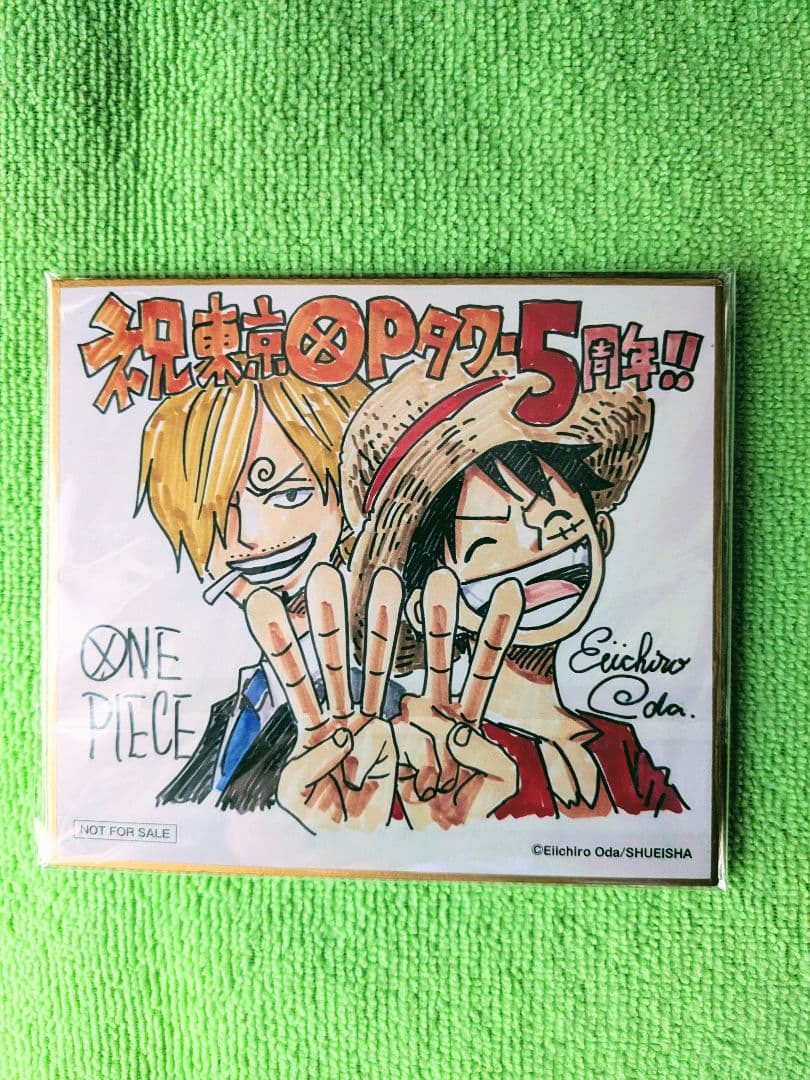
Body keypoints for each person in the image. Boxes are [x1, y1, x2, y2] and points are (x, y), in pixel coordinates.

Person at [341, 356, 686, 825]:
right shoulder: (432, 763)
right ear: (424, 605)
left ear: (601, 536)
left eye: (559, 521)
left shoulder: (619, 745)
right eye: (489, 543)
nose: (537, 546)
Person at [136, 367, 374, 812]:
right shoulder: (239, 706)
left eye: (290, 496)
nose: (248, 537)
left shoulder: (379, 706)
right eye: (217, 515)